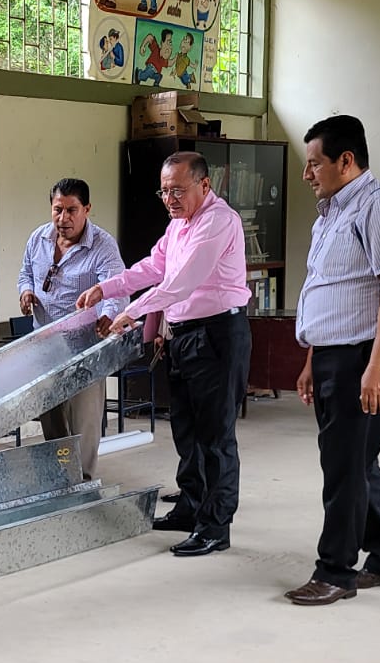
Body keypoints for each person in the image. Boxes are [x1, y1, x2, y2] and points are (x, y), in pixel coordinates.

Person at [76, 152, 250, 556]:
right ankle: (191, 506)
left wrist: (132, 312)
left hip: (217, 335)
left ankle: (215, 526)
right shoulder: (178, 224)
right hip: (184, 335)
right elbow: (153, 267)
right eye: (164, 191)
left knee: (215, 435)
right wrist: (107, 288)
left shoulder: (218, 221)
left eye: (178, 190)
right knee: (186, 430)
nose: (169, 199)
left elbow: (181, 282)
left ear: (204, 185)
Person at [284, 115, 380, 607]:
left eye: (314, 163)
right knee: (355, 462)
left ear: (346, 160)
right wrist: (312, 359)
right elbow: (330, 292)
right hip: (335, 355)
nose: (307, 174)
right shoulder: (329, 216)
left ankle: (335, 572)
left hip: (366, 355)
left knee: (345, 467)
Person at [18, 177, 126, 481]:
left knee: (84, 417)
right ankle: (59, 476)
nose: (63, 218)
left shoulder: (102, 245)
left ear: (87, 209)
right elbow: (25, 273)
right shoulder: (38, 238)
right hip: (46, 344)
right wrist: (26, 291)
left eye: (71, 210)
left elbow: (116, 287)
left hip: (85, 345)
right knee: (51, 414)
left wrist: (108, 315)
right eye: (57, 209)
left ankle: (84, 479)